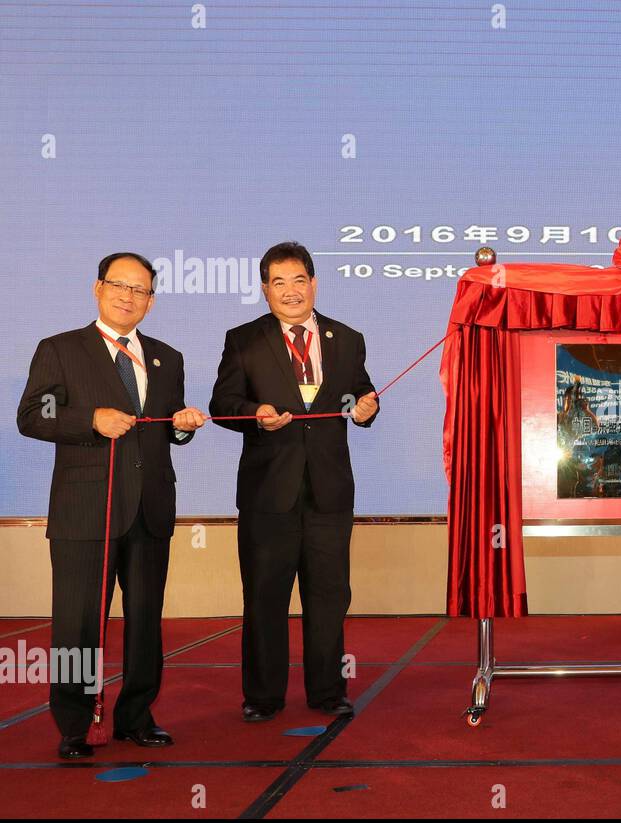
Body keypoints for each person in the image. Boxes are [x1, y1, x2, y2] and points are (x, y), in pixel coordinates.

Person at [17, 252, 205, 759]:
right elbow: (32, 416)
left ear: (151, 300)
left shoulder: (167, 357)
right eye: (119, 285)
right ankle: (76, 724)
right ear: (97, 288)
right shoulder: (60, 349)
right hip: (85, 512)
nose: (128, 296)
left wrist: (182, 427)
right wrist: (90, 419)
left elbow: (163, 427)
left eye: (140, 289)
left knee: (146, 620)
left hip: (149, 508)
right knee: (78, 622)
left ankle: (137, 716)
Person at [209, 242, 379, 722]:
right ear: (265, 290)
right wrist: (255, 416)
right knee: (265, 595)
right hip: (268, 494)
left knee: (328, 595)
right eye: (278, 283)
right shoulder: (243, 340)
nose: (290, 291)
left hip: (329, 492)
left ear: (314, 284)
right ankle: (263, 696)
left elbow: (357, 394)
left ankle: (328, 692)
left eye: (298, 280)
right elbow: (224, 403)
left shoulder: (347, 338)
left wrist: (367, 407)